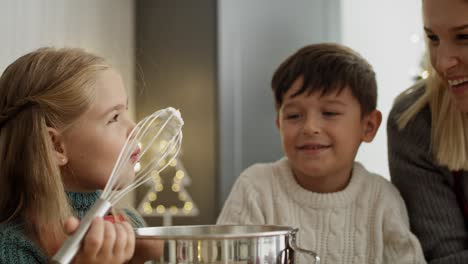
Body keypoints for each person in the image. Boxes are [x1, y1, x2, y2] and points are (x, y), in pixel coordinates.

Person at [217, 43, 426, 263]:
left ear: (368, 126)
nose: (310, 127)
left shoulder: (382, 201)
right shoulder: (256, 189)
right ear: (279, 122)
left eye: (329, 113)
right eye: (294, 116)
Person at [0, 48, 161, 263]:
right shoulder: (12, 247)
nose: (134, 129)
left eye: (126, 111)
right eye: (114, 117)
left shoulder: (126, 223)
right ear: (56, 146)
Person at [387, 0, 468, 262]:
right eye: (433, 38)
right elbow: (447, 258)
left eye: (464, 37)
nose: (442, 63)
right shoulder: (415, 121)